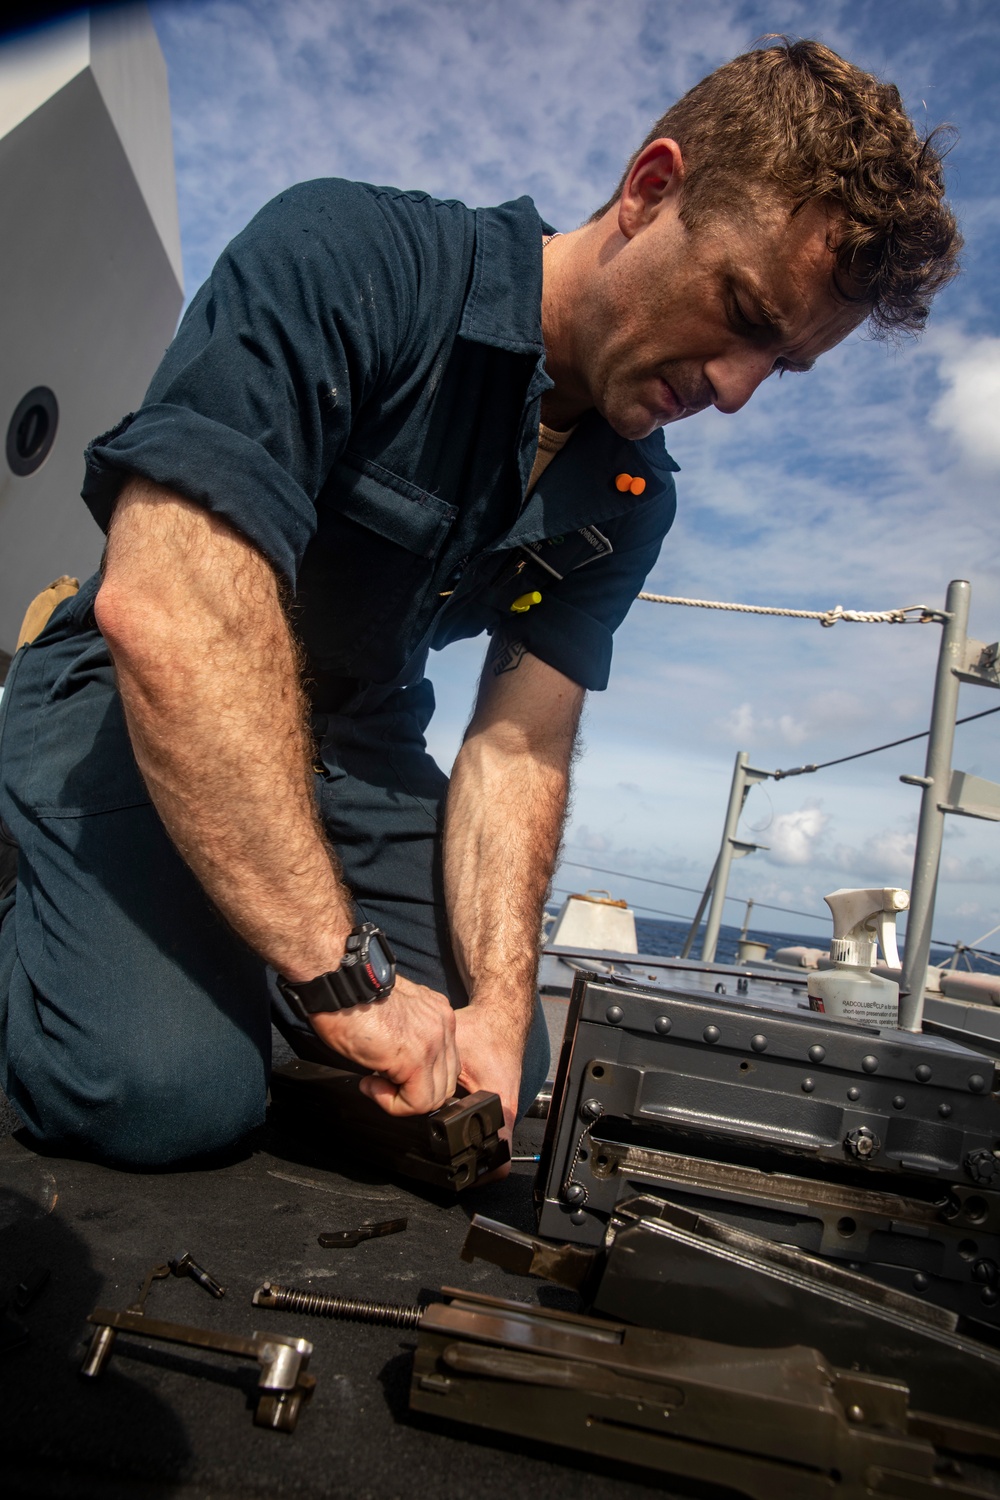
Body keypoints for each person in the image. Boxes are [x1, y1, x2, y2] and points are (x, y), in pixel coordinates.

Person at [0, 38, 959, 1166]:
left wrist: (500, 1006)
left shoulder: (630, 496)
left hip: (353, 745)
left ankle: (230, 944)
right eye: (745, 311)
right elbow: (169, 608)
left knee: (498, 1075)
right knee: (161, 1096)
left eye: (781, 365)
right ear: (652, 191)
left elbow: (517, 741)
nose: (738, 393)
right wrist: (342, 976)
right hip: (133, 691)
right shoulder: (351, 255)